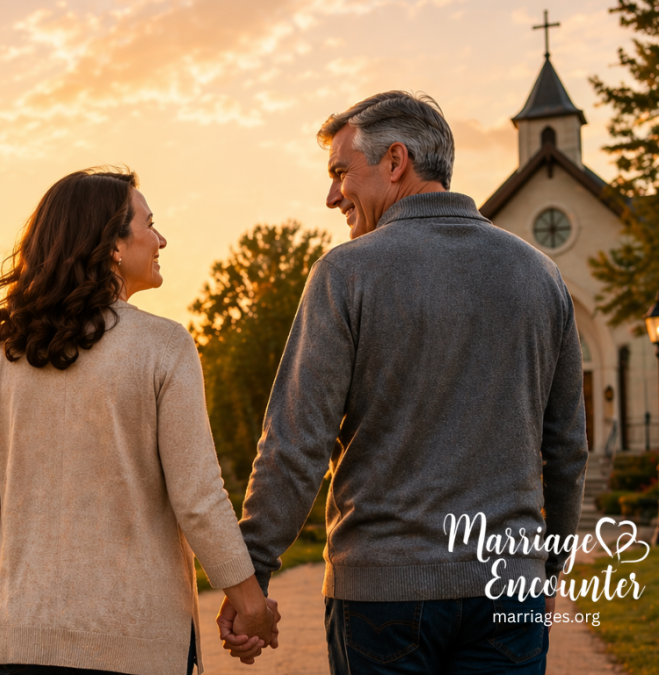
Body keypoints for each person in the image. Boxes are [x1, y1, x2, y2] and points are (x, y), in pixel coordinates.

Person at [223, 92, 588, 673]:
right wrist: (546, 569)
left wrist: (252, 573)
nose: (332, 195)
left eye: (342, 172)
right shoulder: (542, 276)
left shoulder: (346, 273)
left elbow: (296, 444)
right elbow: (566, 448)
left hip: (381, 597)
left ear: (396, 162)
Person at [0, 167, 279, 675]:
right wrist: (250, 602)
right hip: (134, 647)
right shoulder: (165, 346)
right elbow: (198, 497)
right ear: (113, 246)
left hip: (12, 639)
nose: (161, 238)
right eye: (149, 223)